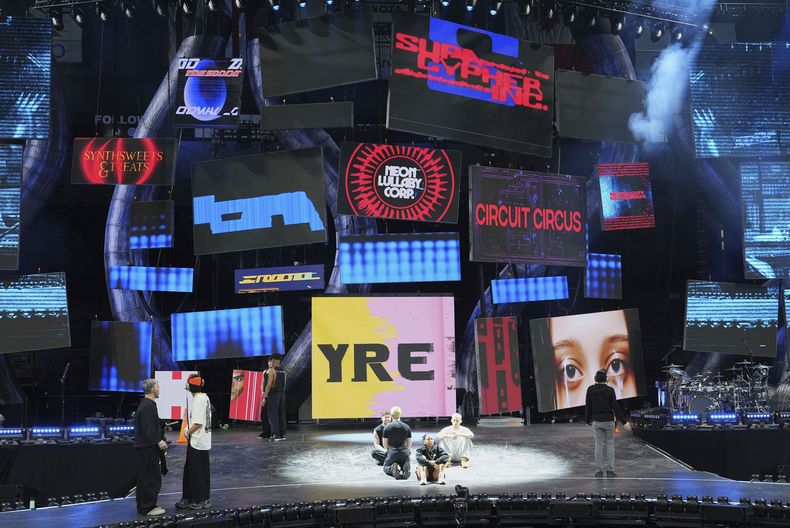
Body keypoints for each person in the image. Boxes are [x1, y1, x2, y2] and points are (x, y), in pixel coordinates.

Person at [531, 309, 645, 412]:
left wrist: (588, 420)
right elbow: (615, 407)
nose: (592, 379)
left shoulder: (593, 391)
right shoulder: (608, 392)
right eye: (570, 371)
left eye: (616, 365)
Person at [585, 369, 632, 478]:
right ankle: (610, 471)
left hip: (597, 421)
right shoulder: (610, 390)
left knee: (598, 445)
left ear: (595, 379)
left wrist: (587, 420)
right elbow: (616, 407)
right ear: (605, 380)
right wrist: (624, 422)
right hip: (609, 421)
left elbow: (588, 406)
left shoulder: (590, 390)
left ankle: (599, 471)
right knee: (610, 445)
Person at [176, 375, 212, 510]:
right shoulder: (205, 397)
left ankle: (200, 499)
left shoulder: (197, 400)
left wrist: (187, 432)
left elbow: (197, 423)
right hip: (203, 440)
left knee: (196, 472)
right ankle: (190, 497)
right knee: (195, 470)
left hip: (196, 441)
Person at [133, 379, 168, 517]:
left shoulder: (146, 404)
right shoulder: (148, 406)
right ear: (153, 389)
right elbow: (148, 429)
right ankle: (147, 507)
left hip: (145, 447)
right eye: (158, 387)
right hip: (148, 447)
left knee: (145, 477)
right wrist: (159, 441)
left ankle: (145, 506)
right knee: (150, 477)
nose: (159, 389)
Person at [382, 406, 412, 480]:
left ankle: (392, 468)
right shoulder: (407, 426)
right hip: (404, 451)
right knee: (403, 462)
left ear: (391, 416)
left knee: (385, 467)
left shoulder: (387, 427)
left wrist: (388, 451)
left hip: (393, 451)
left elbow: (385, 444)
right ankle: (404, 466)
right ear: (400, 415)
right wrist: (407, 450)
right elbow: (409, 442)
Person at [262, 354, 287, 441]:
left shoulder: (272, 370)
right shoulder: (284, 371)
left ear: (273, 360)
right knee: (281, 414)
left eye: (272, 360)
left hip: (273, 394)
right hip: (282, 394)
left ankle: (275, 434)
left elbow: (268, 385)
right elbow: (285, 384)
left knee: (272, 415)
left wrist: (264, 397)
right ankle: (283, 434)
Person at [258, 357, 271, 439]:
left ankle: (271, 432)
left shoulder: (273, 371)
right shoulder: (265, 372)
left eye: (271, 362)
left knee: (271, 414)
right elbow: (262, 383)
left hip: (271, 394)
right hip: (265, 394)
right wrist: (262, 392)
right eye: (269, 362)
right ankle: (265, 431)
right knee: (263, 414)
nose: (270, 363)